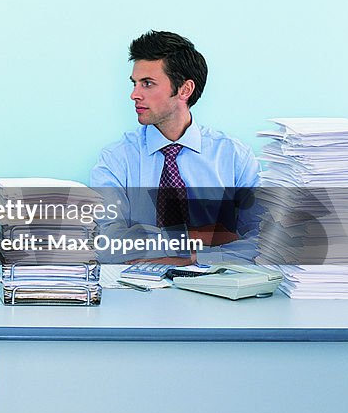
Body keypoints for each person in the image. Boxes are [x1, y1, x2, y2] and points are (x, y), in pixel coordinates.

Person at [90, 30, 260, 265]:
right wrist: (199, 236)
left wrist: (191, 258)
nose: (134, 94)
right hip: (137, 296)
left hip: (218, 293)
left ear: (184, 90)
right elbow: (106, 245)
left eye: (147, 84)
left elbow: (265, 242)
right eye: (135, 83)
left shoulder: (234, 157)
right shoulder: (115, 160)